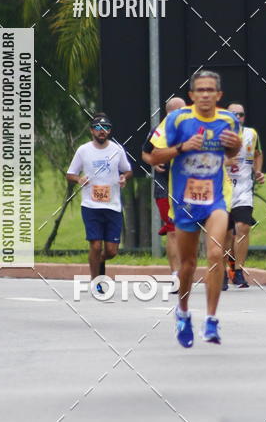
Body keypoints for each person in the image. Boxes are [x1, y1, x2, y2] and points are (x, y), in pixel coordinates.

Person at [149, 71, 241, 347]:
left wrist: (234, 149)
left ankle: (211, 320)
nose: (204, 94)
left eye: (210, 90)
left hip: (216, 198)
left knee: (215, 253)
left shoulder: (229, 120)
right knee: (188, 265)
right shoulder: (178, 119)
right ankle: (184, 312)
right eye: (199, 90)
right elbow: (154, 155)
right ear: (191, 95)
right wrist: (181, 148)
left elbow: (230, 155)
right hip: (185, 200)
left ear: (218, 95)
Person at [67, 113, 132, 285]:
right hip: (90, 205)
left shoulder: (117, 150)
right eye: (98, 128)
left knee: (111, 251)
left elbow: (127, 170)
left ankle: (98, 260)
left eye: (106, 128)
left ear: (109, 131)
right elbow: (70, 174)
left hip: (113, 205)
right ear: (91, 131)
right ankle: (95, 280)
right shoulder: (83, 150)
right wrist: (79, 179)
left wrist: (124, 177)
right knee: (95, 245)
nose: (102, 131)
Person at [222, 102, 264, 290]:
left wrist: (258, 171)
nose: (238, 118)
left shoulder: (251, 134)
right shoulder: (218, 134)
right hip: (222, 190)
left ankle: (238, 271)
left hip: (243, 190)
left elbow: (257, 153)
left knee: (243, 227)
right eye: (234, 114)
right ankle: (222, 272)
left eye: (241, 114)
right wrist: (225, 161)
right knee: (224, 233)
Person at [142, 97, 186, 276]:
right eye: (181, 111)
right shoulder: (158, 131)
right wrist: (153, 162)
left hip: (187, 186)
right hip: (164, 187)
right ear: (170, 113)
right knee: (172, 230)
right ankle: (176, 273)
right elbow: (145, 153)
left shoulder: (191, 130)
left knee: (187, 229)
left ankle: (187, 268)